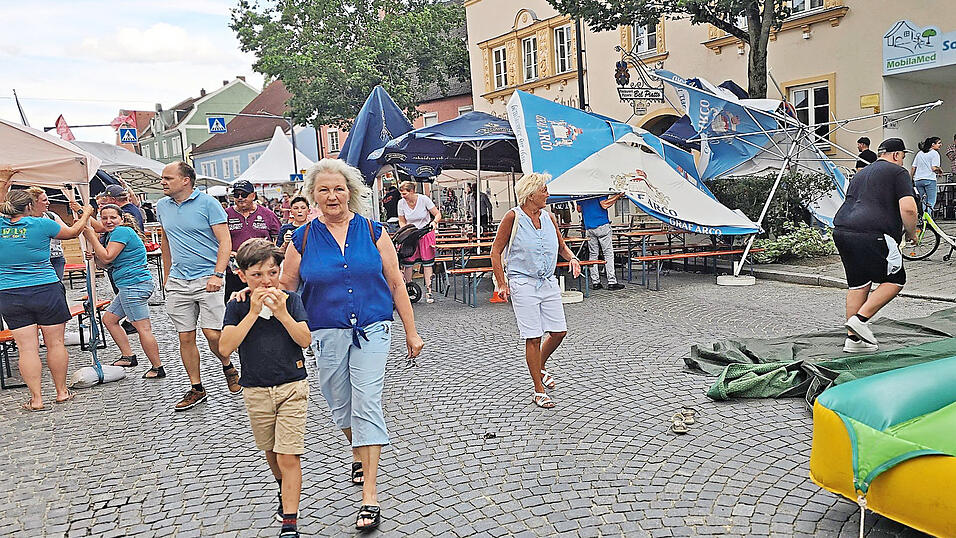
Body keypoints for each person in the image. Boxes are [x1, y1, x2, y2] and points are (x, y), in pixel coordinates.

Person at [279, 159, 424, 531]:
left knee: (367, 401)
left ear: (351, 192)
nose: (332, 196)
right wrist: (254, 293)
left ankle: (370, 497)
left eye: (338, 188)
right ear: (313, 195)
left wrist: (411, 330)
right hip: (325, 333)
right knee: (341, 406)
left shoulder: (374, 232)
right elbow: (285, 288)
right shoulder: (302, 239)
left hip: (373, 328)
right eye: (324, 189)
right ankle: (359, 451)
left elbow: (395, 282)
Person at [220, 239, 311, 538]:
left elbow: (304, 340)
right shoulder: (237, 305)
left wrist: (283, 313)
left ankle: (290, 522)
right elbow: (226, 347)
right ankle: (283, 489)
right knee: (271, 452)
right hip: (256, 389)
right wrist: (252, 313)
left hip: (292, 385)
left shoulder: (292, 300)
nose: (266, 281)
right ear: (242, 274)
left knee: (288, 455)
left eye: (272, 272)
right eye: (257, 275)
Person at [0, 167, 94, 411]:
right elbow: (73, 232)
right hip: (45, 288)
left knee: (27, 348)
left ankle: (37, 399)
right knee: (55, 344)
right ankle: (62, 392)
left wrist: (4, 182)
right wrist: (86, 214)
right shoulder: (43, 225)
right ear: (30, 206)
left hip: (10, 292)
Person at [490, 173, 582, 409]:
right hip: (522, 283)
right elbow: (496, 251)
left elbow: (561, 246)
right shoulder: (513, 217)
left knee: (559, 332)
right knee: (533, 336)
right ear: (531, 194)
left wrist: (572, 258)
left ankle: (539, 367)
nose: (548, 194)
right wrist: (502, 283)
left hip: (547, 281)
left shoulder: (549, 217)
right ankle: (538, 390)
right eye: (544, 190)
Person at [156, 161, 240, 411]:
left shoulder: (208, 204)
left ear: (185, 180)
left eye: (168, 178)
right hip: (179, 281)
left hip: (208, 278)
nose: (163, 182)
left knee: (212, 333)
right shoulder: (162, 206)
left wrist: (218, 274)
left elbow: (225, 241)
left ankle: (227, 364)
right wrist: (167, 275)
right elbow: (166, 240)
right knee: (185, 335)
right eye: (163, 178)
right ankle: (196, 387)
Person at [832, 138, 919, 353]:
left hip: (842, 230)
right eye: (903, 157)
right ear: (896, 155)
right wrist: (912, 233)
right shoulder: (898, 173)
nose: (902, 161)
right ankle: (860, 320)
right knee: (896, 280)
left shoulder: (860, 173)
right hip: (874, 233)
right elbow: (909, 209)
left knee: (858, 284)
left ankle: (853, 341)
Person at [81, 205, 165, 378]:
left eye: (113, 217)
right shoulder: (114, 235)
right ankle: (128, 356)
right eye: (104, 218)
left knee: (143, 328)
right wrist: (95, 257)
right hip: (130, 285)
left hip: (134, 285)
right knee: (109, 319)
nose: (108, 221)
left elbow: (108, 257)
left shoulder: (122, 232)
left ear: (122, 219)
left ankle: (158, 367)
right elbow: (106, 263)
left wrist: (92, 238)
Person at [225, 180, 281, 303]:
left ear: (253, 195)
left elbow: (278, 238)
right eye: (236, 195)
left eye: (244, 194)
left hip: (261, 270)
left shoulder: (267, 214)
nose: (240, 198)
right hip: (235, 270)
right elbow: (219, 240)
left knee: (264, 303)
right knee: (235, 304)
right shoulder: (226, 215)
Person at [397, 181, 441, 303]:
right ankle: (407, 289)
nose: (403, 196)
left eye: (405, 193)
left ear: (412, 191)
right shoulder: (401, 203)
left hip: (425, 233)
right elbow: (401, 220)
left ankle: (429, 291)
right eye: (401, 193)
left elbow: (437, 214)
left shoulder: (424, 199)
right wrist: (405, 229)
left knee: (427, 263)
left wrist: (434, 222)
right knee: (408, 262)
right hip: (411, 235)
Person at [576, 194, 625, 290]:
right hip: (601, 224)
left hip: (589, 227)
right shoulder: (599, 189)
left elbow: (579, 209)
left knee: (593, 254)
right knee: (608, 254)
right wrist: (617, 196)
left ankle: (596, 282)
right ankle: (612, 282)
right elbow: (604, 205)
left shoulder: (582, 191)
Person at [26, 187, 67, 281]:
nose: (48, 203)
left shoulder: (51, 216)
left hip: (55, 258)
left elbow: (67, 232)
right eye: (44, 200)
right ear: (34, 202)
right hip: (34, 261)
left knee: (56, 286)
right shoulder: (24, 219)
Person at [911, 136, 944, 215]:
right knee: (931, 201)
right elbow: (934, 168)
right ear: (933, 144)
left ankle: (923, 218)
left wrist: (911, 178)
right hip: (929, 180)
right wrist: (940, 171)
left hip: (918, 180)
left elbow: (913, 167)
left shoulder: (920, 153)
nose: (941, 145)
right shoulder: (935, 153)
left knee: (923, 201)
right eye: (939, 143)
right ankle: (929, 219)